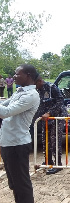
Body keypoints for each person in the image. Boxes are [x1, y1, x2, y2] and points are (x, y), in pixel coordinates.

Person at [0, 64, 40, 203]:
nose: (14, 76)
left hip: (17, 144)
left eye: (17, 74)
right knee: (14, 185)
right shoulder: (20, 92)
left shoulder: (31, 95)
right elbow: (5, 105)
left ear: (28, 75)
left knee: (22, 185)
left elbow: (5, 113)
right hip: (7, 142)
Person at [33, 75, 67, 175]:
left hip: (57, 117)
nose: (34, 86)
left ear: (39, 81)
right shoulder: (37, 90)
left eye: (35, 84)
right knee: (45, 140)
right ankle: (48, 161)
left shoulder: (52, 87)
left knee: (55, 141)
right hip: (45, 119)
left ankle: (58, 164)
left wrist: (50, 113)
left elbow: (60, 101)